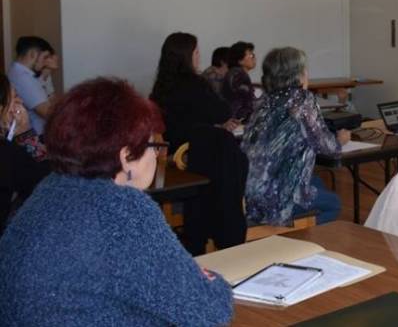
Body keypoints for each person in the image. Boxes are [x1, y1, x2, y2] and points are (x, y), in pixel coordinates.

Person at [0, 78, 233, 325]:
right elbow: (207, 310)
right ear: (125, 156)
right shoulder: (120, 209)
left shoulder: (51, 188)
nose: (156, 154)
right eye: (153, 146)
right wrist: (213, 282)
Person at [243, 47, 348, 226]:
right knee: (334, 204)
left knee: (317, 182)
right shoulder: (302, 100)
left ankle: (298, 230)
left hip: (251, 194)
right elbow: (328, 147)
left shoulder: (263, 101)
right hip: (276, 199)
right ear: (297, 74)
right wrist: (340, 141)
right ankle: (292, 235)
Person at [149, 32, 235, 152]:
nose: (199, 57)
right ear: (186, 57)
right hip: (190, 152)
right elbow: (223, 112)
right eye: (196, 52)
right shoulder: (196, 84)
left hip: (167, 150)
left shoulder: (160, 85)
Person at [0, 74, 50, 234]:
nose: (20, 103)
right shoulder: (6, 152)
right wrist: (25, 134)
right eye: (14, 98)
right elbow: (44, 186)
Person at [7, 36, 54, 135]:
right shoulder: (23, 77)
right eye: (44, 57)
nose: (45, 62)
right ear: (33, 54)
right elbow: (46, 112)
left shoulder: (18, 72)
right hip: (37, 137)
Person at [222, 41, 257, 121]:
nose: (254, 58)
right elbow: (248, 100)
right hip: (236, 121)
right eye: (251, 55)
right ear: (240, 60)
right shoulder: (238, 74)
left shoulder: (235, 72)